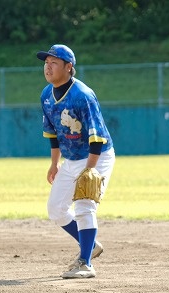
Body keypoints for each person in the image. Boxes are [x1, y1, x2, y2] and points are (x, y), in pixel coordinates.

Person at [37, 44, 116, 279]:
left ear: (68, 67)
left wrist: (89, 170)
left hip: (96, 156)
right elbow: (52, 134)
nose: (48, 67)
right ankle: (90, 244)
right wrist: (54, 164)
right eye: (46, 63)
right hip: (71, 159)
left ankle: (85, 263)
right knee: (56, 209)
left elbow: (97, 137)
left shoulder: (83, 95)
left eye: (54, 62)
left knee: (84, 206)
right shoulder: (46, 95)